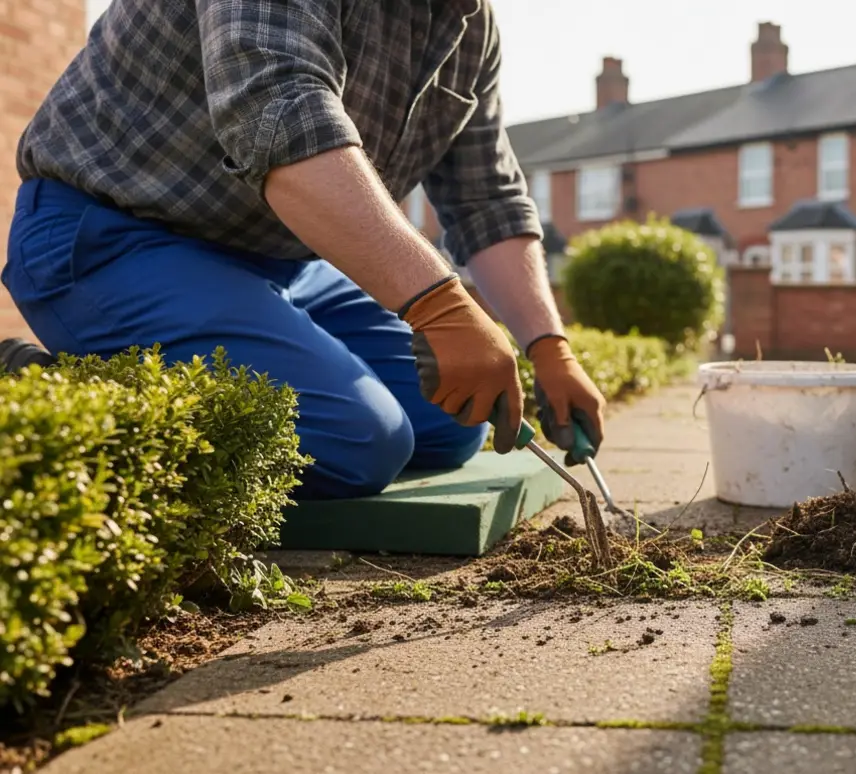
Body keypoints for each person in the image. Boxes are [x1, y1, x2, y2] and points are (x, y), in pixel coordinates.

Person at [1, 0, 607, 499]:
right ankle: (49, 394)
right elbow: (278, 111)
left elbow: (485, 197)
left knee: (451, 423)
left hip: (281, 262)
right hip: (110, 236)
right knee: (357, 443)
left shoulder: (468, 24)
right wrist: (439, 306)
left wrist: (549, 348)